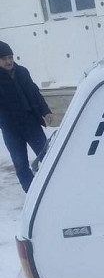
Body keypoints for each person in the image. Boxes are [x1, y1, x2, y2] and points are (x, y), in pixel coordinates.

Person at [0, 40, 54, 192]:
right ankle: (32, 193)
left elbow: (34, 92)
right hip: (11, 129)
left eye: (10, 57)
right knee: (20, 164)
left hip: (31, 123)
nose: (9, 61)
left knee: (48, 157)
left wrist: (46, 111)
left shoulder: (22, 72)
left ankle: (54, 188)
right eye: (4, 58)